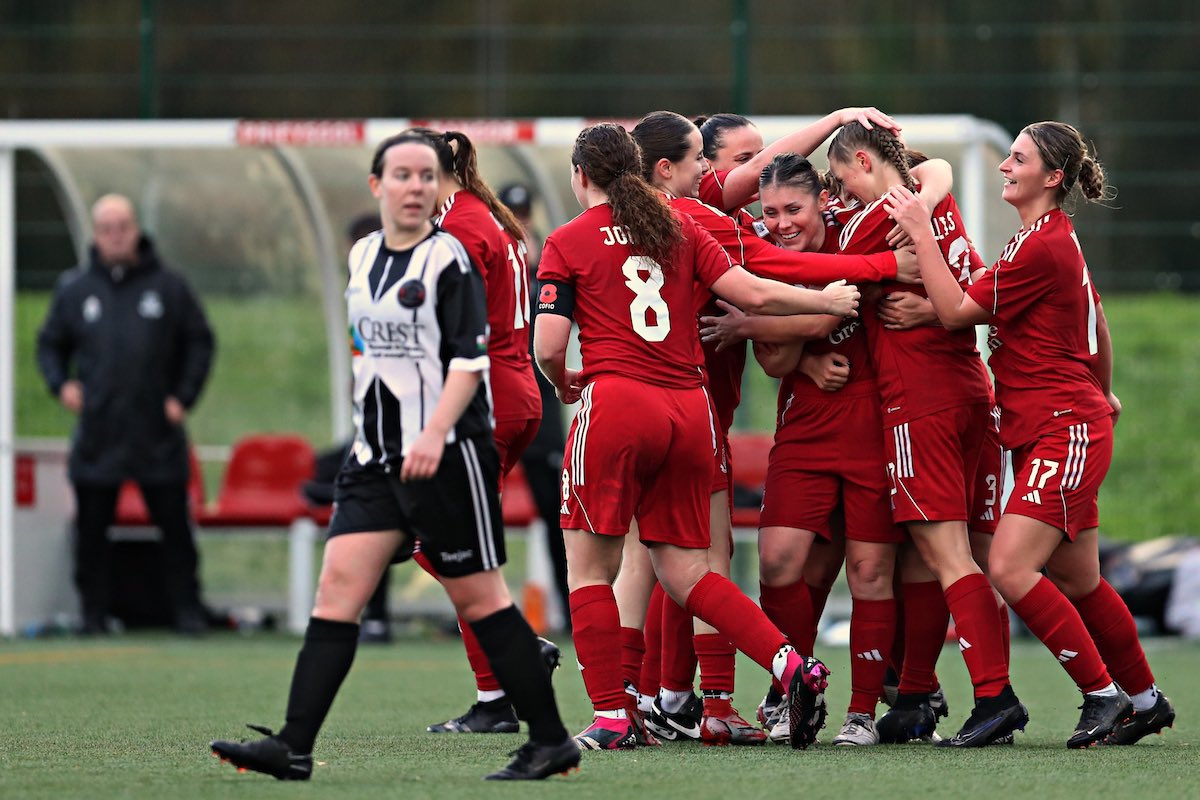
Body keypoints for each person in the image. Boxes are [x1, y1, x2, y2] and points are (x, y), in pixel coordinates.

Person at [210, 132, 578, 782]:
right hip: (376, 459)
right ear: (377, 185)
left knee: (483, 600)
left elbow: (468, 361)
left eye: (426, 176)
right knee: (337, 591)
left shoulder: (450, 259)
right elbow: (370, 357)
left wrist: (434, 433)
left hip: (444, 454)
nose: (414, 186)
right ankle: (293, 745)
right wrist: (366, 434)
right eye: (401, 175)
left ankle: (550, 740)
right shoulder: (360, 256)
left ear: (441, 186)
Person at [534, 123, 854, 751]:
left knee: (589, 570)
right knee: (689, 570)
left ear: (580, 176)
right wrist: (833, 300)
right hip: (690, 409)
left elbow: (547, 343)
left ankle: (612, 717)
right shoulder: (683, 227)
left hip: (619, 402)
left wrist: (564, 377)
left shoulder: (567, 240)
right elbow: (754, 291)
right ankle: (790, 664)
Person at [885, 120, 1175, 748]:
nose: (1003, 167)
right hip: (1059, 425)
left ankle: (1104, 697)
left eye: (1017, 159)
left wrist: (918, 233)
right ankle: (1146, 700)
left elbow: (960, 310)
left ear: (1053, 177)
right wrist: (1102, 390)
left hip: (1062, 430)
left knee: (1011, 568)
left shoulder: (1039, 245)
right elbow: (1095, 322)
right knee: (1078, 579)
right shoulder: (1046, 240)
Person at [826, 122, 1026, 747]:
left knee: (947, 556)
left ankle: (995, 695)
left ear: (862, 161)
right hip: (973, 391)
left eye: (840, 179)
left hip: (920, 404)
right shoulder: (939, 197)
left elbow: (815, 279)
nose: (839, 193)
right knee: (941, 554)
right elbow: (935, 170)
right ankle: (914, 695)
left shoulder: (867, 226)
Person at [401, 129, 560, 737]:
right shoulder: (484, 217)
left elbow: (446, 329)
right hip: (513, 391)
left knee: (448, 546)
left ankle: (505, 673)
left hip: (482, 397)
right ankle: (497, 689)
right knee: (443, 541)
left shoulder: (463, 229)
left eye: (407, 173)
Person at [36, 193, 214, 635]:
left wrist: (182, 397)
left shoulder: (169, 286)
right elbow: (49, 344)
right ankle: (92, 615)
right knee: (92, 532)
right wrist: (61, 385)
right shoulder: (75, 289)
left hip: (156, 431)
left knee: (175, 529)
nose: (116, 235)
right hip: (99, 431)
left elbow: (199, 342)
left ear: (136, 230)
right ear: (95, 235)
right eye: (107, 228)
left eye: (124, 226)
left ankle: (187, 613)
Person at [499, 182, 572, 630]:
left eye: (522, 212)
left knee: (556, 514)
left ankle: (568, 612)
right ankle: (487, 614)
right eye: (511, 213)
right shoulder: (484, 262)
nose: (518, 221)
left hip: (541, 408)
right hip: (498, 405)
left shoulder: (550, 263)